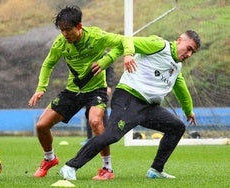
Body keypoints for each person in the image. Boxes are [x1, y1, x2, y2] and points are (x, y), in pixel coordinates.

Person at [59, 30, 201, 180]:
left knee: (177, 126)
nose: (189, 55)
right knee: (111, 135)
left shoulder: (177, 66)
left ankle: (155, 170)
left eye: (193, 52)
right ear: (179, 40)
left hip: (149, 108)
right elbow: (126, 41)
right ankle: (70, 166)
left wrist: (188, 110)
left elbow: (180, 86)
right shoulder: (159, 45)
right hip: (128, 98)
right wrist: (109, 60)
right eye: (189, 48)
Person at [28, 5, 135, 180]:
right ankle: (49, 159)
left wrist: (125, 55)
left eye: (68, 30)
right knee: (41, 125)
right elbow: (48, 64)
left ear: (79, 26)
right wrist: (41, 88)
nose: (65, 34)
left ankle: (107, 168)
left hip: (96, 90)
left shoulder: (96, 36)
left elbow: (125, 40)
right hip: (73, 91)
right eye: (62, 30)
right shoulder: (60, 43)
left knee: (95, 121)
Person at [81, 65, 117, 145]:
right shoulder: (88, 55)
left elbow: (110, 70)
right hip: (89, 89)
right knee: (89, 112)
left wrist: (109, 85)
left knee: (102, 112)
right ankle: (89, 138)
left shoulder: (103, 55)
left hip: (102, 89)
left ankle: (107, 137)